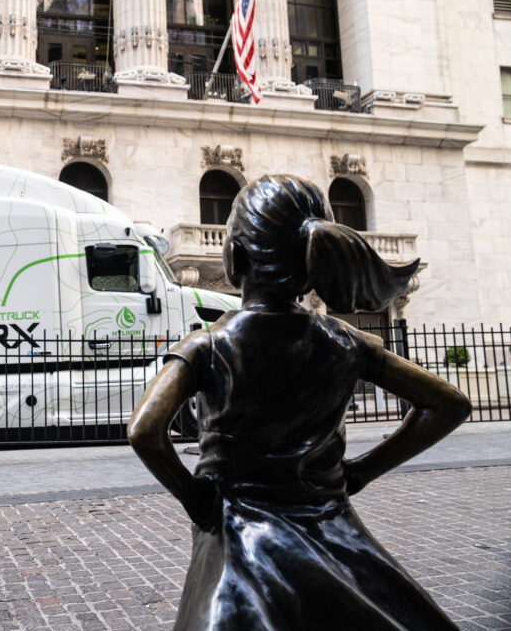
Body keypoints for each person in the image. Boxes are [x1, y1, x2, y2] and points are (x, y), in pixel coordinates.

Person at [128, 175, 471, 630]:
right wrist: (362, 471)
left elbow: (145, 431)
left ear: (235, 256)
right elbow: (448, 404)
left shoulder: (208, 345)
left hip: (240, 535)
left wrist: (197, 499)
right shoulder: (345, 341)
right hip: (332, 527)